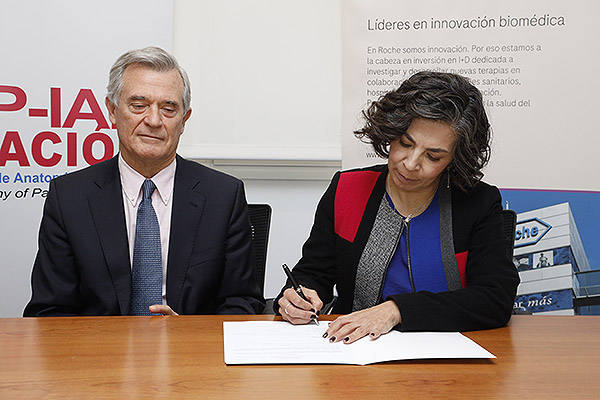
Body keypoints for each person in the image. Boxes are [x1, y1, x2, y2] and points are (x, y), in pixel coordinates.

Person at [276, 71, 519, 343]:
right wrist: (297, 298)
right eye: (405, 143)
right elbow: (312, 273)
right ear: (390, 131)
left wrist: (396, 310)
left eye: (433, 156)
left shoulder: (478, 202)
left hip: (445, 356)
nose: (411, 163)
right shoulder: (347, 189)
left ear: (455, 159)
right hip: (353, 352)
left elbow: (495, 298)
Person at [24, 46, 264, 316]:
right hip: (100, 354)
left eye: (169, 108)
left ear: (184, 120)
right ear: (112, 111)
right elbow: (49, 310)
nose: (153, 120)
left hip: (190, 353)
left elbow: (243, 302)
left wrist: (185, 335)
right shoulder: (69, 197)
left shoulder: (223, 196)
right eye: (138, 106)